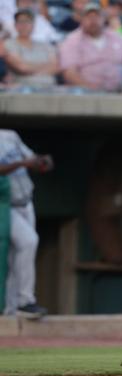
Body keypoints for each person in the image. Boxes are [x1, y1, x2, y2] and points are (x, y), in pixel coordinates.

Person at [0, 129, 53, 319]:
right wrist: (23, 163)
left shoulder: (9, 135)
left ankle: (11, 310)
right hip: (5, 207)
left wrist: (41, 161)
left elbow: (31, 157)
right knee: (29, 242)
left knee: (19, 256)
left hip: (26, 202)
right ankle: (25, 300)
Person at [59, 2, 122, 92]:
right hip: (85, 94)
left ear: (103, 19)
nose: (93, 20)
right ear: (81, 19)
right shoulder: (72, 40)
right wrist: (92, 90)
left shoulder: (117, 38)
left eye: (97, 16)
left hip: (119, 92)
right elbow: (69, 73)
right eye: (89, 17)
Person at [4, 8, 57, 89]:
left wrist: (30, 67)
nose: (24, 25)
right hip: (22, 89)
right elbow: (22, 68)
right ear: (15, 25)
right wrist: (45, 66)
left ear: (33, 25)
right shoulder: (8, 44)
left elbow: (56, 66)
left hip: (49, 88)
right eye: (20, 22)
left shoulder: (45, 45)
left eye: (28, 21)